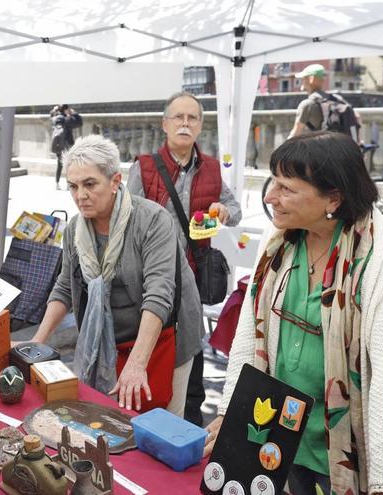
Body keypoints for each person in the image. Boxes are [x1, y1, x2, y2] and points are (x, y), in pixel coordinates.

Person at [204, 132, 383, 495]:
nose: (269, 197)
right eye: (272, 182)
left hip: (345, 452)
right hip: (275, 438)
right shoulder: (279, 239)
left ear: (334, 198)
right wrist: (231, 413)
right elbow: (248, 336)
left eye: (286, 188)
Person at [31, 135, 202, 416]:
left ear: (115, 181)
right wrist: (39, 340)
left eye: (89, 184)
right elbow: (65, 285)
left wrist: (137, 364)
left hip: (164, 339)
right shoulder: (75, 229)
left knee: (161, 427)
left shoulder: (152, 220)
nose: (80, 195)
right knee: (108, 422)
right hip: (108, 341)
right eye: (73, 186)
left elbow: (159, 295)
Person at [127, 91, 241, 427]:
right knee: (152, 346)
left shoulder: (211, 170)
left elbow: (234, 211)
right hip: (151, 280)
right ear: (165, 124)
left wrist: (223, 212)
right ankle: (146, 414)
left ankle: (188, 425)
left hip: (192, 278)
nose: (185, 123)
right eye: (178, 117)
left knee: (191, 350)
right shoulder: (144, 167)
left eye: (192, 118)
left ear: (200, 126)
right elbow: (128, 217)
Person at [288, 64, 328, 139]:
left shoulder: (307, 104)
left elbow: (295, 134)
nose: (302, 81)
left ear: (311, 79)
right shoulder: (336, 100)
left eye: (304, 78)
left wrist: (282, 150)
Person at [51, 103, 83, 189]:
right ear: (65, 110)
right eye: (68, 109)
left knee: (60, 164)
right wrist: (74, 113)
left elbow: (51, 116)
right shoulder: (67, 119)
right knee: (68, 164)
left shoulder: (56, 118)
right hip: (67, 144)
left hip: (58, 143)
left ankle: (57, 183)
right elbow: (79, 123)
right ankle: (68, 184)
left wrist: (55, 111)